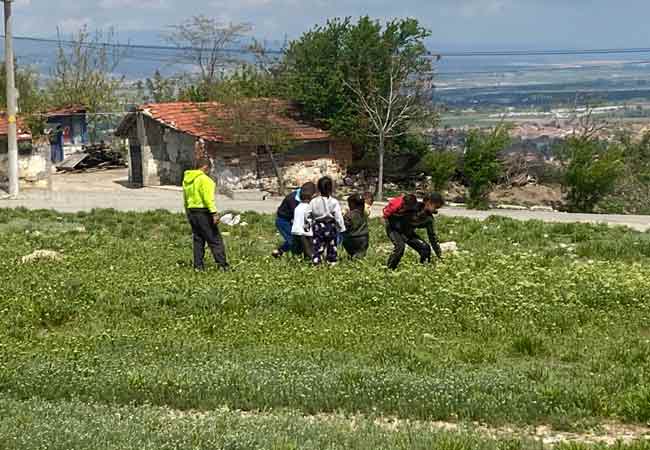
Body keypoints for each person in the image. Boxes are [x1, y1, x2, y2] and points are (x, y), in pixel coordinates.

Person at [183, 158, 228, 271]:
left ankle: (198, 266)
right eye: (210, 169)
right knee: (214, 239)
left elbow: (185, 198)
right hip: (204, 212)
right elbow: (208, 199)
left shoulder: (187, 179)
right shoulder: (205, 180)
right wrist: (214, 213)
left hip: (192, 212)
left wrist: (187, 211)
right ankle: (222, 265)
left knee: (198, 239)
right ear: (206, 167)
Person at [384, 193, 443, 270]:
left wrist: (440, 255)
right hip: (394, 229)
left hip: (407, 233)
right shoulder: (413, 206)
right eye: (436, 207)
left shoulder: (428, 220)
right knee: (400, 247)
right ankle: (389, 270)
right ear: (428, 202)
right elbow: (393, 213)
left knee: (425, 248)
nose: (436, 210)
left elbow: (433, 238)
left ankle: (423, 270)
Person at [272, 182, 316, 258]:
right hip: (283, 221)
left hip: (292, 220)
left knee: (296, 240)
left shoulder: (304, 195)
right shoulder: (293, 199)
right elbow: (298, 216)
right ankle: (295, 257)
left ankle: (279, 251)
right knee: (293, 240)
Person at [310, 176, 346, 265]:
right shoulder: (334, 202)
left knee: (317, 244)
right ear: (331, 188)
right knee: (331, 244)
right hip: (330, 226)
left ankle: (316, 260)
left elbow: (308, 213)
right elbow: (338, 216)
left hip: (317, 226)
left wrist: (308, 223)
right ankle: (331, 260)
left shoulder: (313, 201)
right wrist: (342, 228)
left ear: (318, 188)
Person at [291, 187, 315, 260]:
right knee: (309, 249)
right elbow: (310, 219)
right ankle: (315, 262)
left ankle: (296, 262)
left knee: (297, 250)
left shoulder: (298, 207)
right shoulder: (308, 207)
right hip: (304, 232)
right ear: (310, 198)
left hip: (295, 231)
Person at [342, 193, 369, 259]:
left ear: (352, 204)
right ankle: (359, 259)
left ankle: (352, 258)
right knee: (361, 253)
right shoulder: (364, 213)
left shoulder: (349, 215)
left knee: (352, 252)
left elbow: (345, 226)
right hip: (364, 238)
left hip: (352, 238)